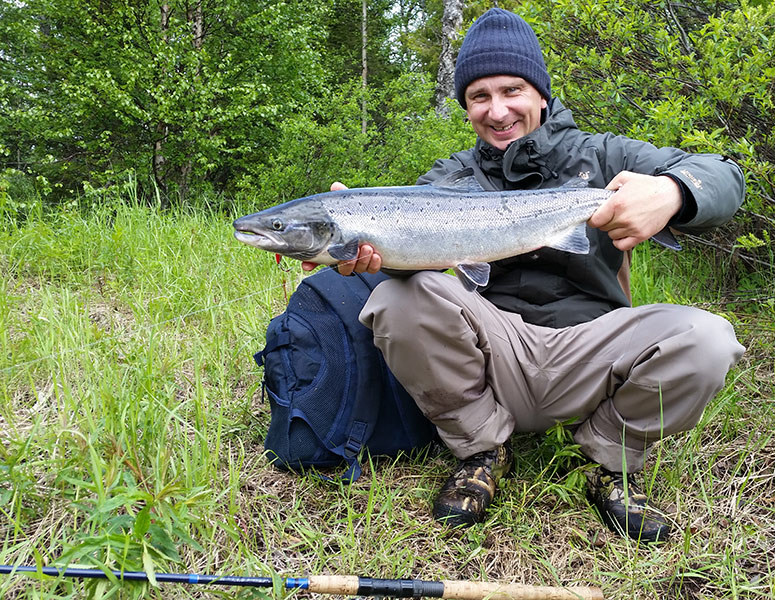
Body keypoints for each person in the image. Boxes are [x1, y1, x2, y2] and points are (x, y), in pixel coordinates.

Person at [307, 8, 746, 543]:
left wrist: (674, 191)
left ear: (541, 92)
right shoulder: (450, 179)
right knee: (398, 298)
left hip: (593, 353)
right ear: (465, 106)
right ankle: (482, 449)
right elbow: (405, 264)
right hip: (495, 354)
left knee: (708, 338)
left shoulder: (604, 157)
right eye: (479, 96)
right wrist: (369, 240)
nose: (497, 111)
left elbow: (724, 176)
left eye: (512, 90)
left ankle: (608, 461)